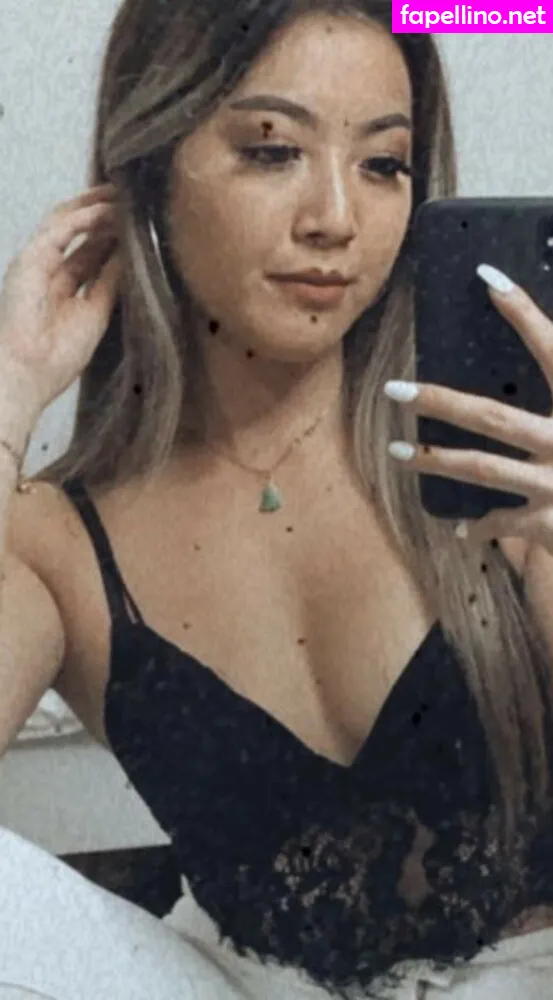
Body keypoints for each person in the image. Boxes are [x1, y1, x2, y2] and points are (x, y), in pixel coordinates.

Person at [2, 1, 553, 998]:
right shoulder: (53, 536)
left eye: (383, 163)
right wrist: (7, 392)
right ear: (150, 175)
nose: (335, 218)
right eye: (271, 150)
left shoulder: (492, 453)